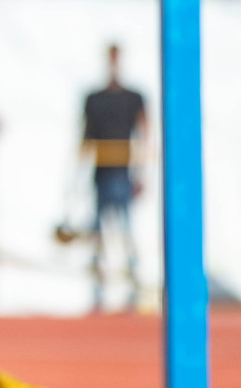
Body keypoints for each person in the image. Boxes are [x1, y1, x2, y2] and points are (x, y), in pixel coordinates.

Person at [81, 44, 148, 311]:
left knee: (126, 231)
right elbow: (85, 137)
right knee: (98, 233)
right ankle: (98, 291)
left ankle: (132, 286)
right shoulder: (94, 99)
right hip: (101, 174)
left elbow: (144, 132)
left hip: (123, 173)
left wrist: (142, 172)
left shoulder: (133, 98)